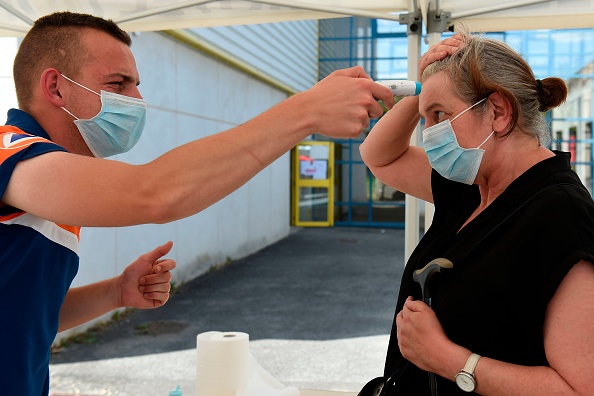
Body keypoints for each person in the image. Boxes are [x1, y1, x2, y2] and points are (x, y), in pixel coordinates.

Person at [1, 11, 394, 396]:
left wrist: (115, 294)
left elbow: (29, 314)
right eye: (118, 84)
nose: (138, 100)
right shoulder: (11, 154)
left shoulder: (46, 179)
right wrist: (306, 110)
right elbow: (155, 193)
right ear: (55, 87)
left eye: (137, 84)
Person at [359, 32, 594, 395]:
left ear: (499, 112)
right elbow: (379, 156)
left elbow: (580, 389)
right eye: (425, 119)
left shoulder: (562, 213)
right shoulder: (471, 185)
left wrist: (450, 360)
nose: (429, 133)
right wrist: (422, 88)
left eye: (439, 115)